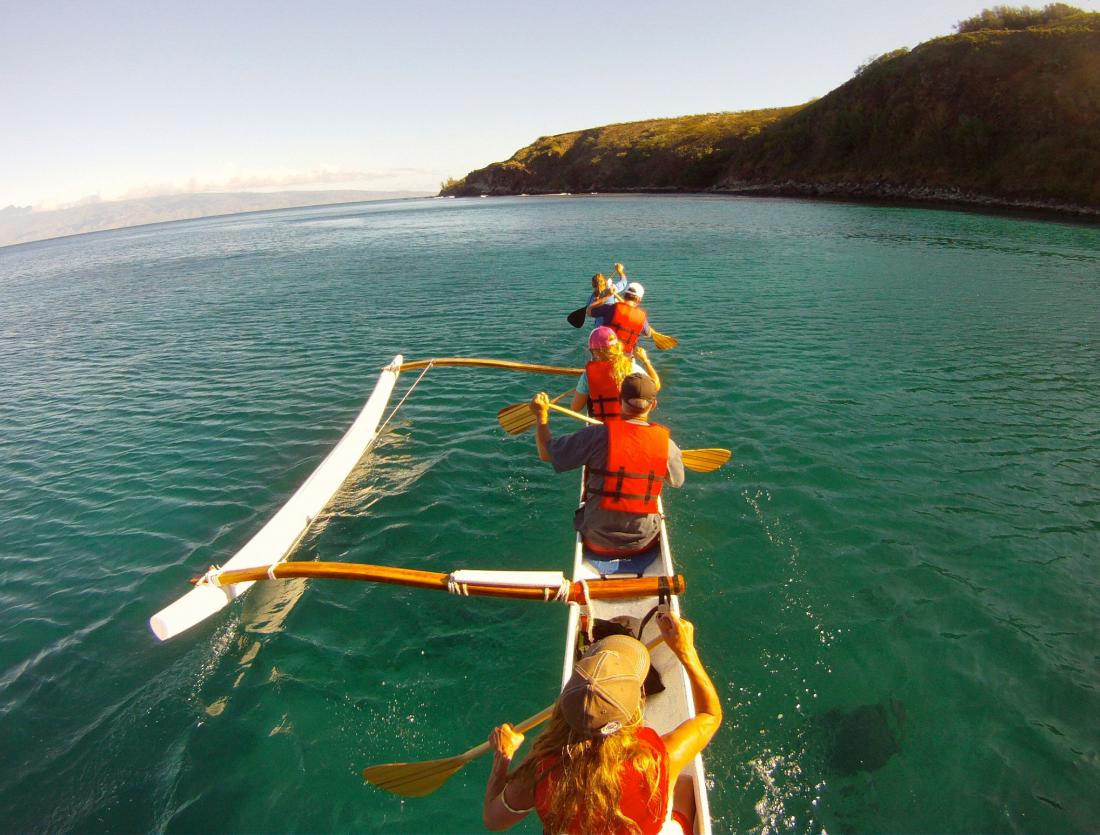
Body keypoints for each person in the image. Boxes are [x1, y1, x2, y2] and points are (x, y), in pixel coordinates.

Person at [482, 611, 723, 834]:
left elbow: (494, 820)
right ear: (633, 709)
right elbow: (710, 716)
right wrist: (687, 653)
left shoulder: (540, 769)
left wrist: (503, 759)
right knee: (683, 785)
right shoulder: (656, 758)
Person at [532, 373, 682, 556]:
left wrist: (541, 417)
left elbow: (546, 454)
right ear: (654, 405)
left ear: (620, 400)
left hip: (596, 539)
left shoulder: (595, 435)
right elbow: (676, 481)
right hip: (643, 542)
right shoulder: (667, 444)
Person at [570, 327, 661, 419]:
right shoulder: (631, 368)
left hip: (601, 428)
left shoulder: (587, 375)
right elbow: (656, 386)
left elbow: (576, 407)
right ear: (617, 347)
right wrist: (646, 361)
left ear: (593, 351)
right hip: (625, 426)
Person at [590, 282, 650, 355]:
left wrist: (606, 297)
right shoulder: (642, 317)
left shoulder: (611, 308)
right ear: (639, 300)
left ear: (624, 295)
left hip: (605, 355)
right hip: (625, 360)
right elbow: (648, 334)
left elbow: (589, 310)